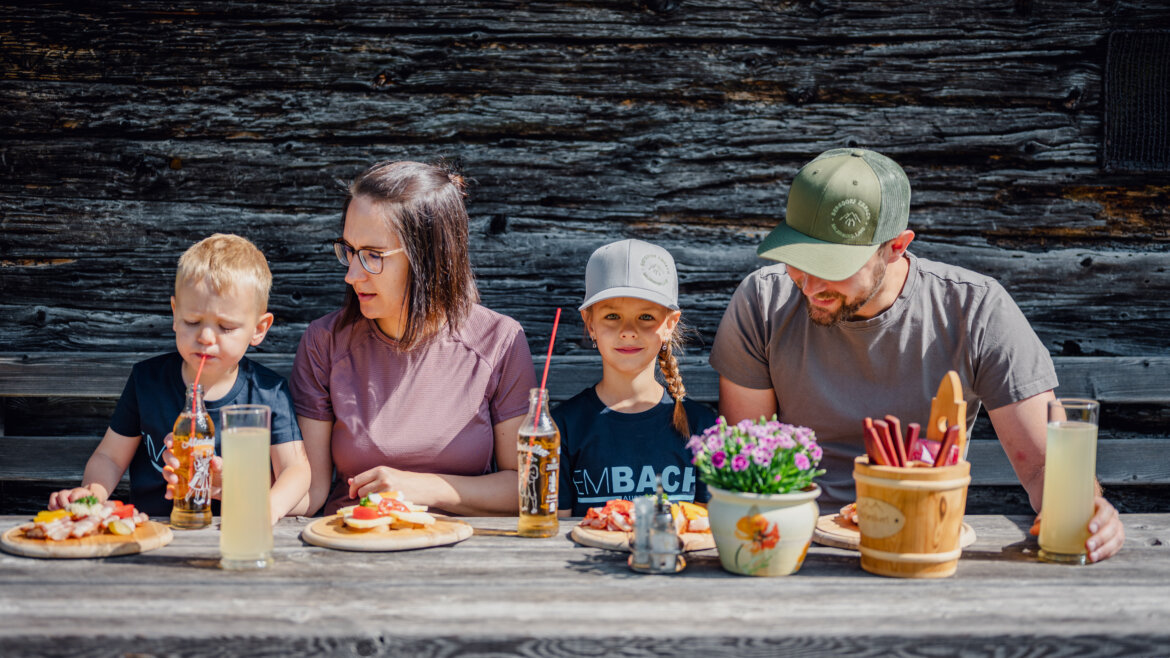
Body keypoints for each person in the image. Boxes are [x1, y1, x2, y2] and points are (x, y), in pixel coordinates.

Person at [709, 147, 1125, 562]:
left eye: (833, 265)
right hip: (793, 544)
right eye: (798, 260)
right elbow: (750, 466)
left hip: (921, 543)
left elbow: (1042, 468)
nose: (810, 285)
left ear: (896, 246)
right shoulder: (763, 302)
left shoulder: (976, 311)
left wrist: (1084, 510)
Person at [291, 160, 537, 516]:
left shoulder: (499, 341)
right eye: (348, 250)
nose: (351, 275)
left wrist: (423, 487)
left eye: (373, 256)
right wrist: (235, 489)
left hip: (462, 554)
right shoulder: (325, 342)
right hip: (354, 547)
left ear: (429, 258)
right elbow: (310, 490)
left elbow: (526, 489)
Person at [50, 234, 311, 523]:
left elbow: (296, 470)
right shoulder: (146, 380)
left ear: (258, 329)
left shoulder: (268, 392)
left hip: (235, 529)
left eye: (225, 327)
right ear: (175, 315)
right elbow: (109, 458)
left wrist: (267, 508)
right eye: (192, 322)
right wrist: (92, 494)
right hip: (154, 529)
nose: (205, 337)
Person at [554, 239, 717, 517]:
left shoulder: (703, 427)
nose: (628, 331)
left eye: (645, 316)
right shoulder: (563, 427)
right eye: (613, 316)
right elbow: (558, 531)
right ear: (590, 323)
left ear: (670, 324)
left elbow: (703, 530)